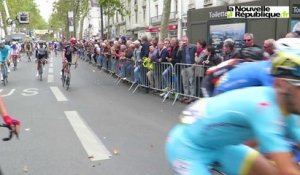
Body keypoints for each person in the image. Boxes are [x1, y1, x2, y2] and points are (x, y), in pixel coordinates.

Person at [165, 38, 300, 175]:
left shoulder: (287, 108)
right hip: (187, 148)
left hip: (223, 146)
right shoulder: (266, 108)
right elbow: (287, 170)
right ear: (282, 85)